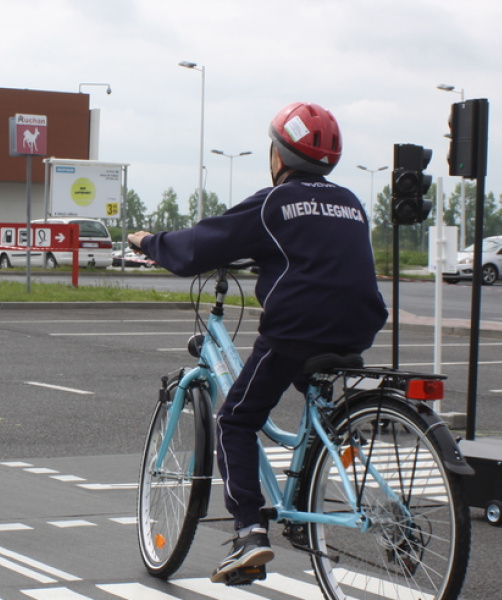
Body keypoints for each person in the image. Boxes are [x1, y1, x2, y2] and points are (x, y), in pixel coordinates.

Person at [128, 102, 387, 584]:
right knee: (313, 406)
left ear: (279, 154)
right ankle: (315, 474)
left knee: (237, 419)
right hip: (357, 326)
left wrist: (148, 241)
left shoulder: (274, 203)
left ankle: (249, 532)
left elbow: (198, 247)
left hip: (297, 329)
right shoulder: (351, 203)